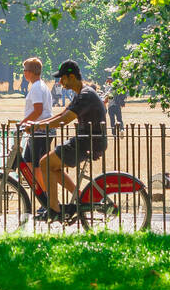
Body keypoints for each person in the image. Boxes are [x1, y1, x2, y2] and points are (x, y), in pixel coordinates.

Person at [21, 60, 107, 221]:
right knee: (52, 166)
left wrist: (37, 126)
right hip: (85, 140)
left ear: (72, 76)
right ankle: (63, 204)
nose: (60, 82)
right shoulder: (82, 93)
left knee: (45, 162)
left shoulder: (85, 96)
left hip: (87, 143)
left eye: (62, 78)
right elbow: (61, 114)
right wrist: (37, 125)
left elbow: (65, 119)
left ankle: (53, 209)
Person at [20, 58, 54, 167]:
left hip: (40, 131)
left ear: (30, 72)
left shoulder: (36, 88)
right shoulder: (40, 85)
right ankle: (36, 184)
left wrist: (23, 123)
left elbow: (38, 110)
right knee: (28, 163)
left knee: (37, 166)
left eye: (24, 70)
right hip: (38, 130)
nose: (23, 73)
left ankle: (42, 184)